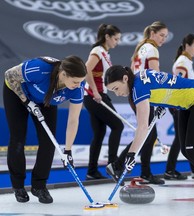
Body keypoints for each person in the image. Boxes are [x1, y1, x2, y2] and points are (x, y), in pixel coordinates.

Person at [104, 65, 194, 205]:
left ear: (125, 79)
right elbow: (167, 83)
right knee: (187, 151)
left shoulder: (138, 89)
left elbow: (143, 127)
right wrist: (163, 104)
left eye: (116, 89)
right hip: (186, 105)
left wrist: (131, 155)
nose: (117, 94)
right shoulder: (139, 77)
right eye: (113, 91)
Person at [3, 55, 87, 204]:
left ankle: (39, 186)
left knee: (49, 142)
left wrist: (68, 151)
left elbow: (73, 120)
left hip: (46, 101)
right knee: (17, 139)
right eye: (75, 81)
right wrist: (26, 101)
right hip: (17, 94)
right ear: (63, 74)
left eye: (81, 81)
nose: (78, 85)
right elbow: (9, 75)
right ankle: (18, 187)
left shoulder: (77, 87)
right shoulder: (40, 69)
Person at [106, 21, 169, 185]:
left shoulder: (141, 48)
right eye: (161, 35)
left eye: (165, 36)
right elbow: (157, 75)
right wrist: (162, 98)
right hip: (145, 92)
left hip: (136, 91)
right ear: (152, 33)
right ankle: (119, 165)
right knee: (147, 132)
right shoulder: (152, 48)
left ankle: (143, 171)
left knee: (149, 132)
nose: (163, 39)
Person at [84, 24, 124, 180]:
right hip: (95, 97)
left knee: (99, 133)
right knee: (117, 125)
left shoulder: (104, 53)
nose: (117, 42)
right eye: (116, 39)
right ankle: (113, 166)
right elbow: (86, 69)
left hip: (97, 96)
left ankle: (92, 171)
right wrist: (95, 91)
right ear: (107, 37)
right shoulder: (97, 51)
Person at [164, 33, 194, 180]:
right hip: (179, 105)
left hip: (181, 104)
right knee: (181, 138)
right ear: (187, 46)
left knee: (184, 137)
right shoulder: (182, 63)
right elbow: (177, 84)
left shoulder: (186, 61)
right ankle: (170, 170)